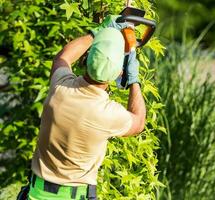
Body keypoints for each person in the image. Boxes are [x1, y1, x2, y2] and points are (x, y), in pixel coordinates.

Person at [25, 16, 146, 200]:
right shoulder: (109, 114)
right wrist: (134, 80)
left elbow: (63, 57)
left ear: (87, 57)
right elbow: (138, 123)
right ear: (118, 73)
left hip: (36, 193)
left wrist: (97, 32)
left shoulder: (60, 87)